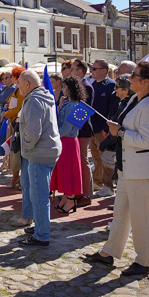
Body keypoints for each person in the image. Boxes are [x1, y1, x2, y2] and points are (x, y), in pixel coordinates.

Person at [85, 61, 149, 277]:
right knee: (120, 213)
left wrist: (119, 132)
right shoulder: (135, 99)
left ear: (145, 82)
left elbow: (147, 141)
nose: (129, 78)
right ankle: (109, 252)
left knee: (141, 218)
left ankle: (144, 260)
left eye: (134, 75)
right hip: (128, 166)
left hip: (142, 168)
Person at [14, 70, 61, 246]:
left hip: (39, 152)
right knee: (39, 193)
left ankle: (42, 235)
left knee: (38, 195)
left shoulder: (34, 100)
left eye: (19, 83)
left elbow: (33, 131)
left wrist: (25, 145)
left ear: (27, 83)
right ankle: (41, 226)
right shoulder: (44, 96)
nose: (18, 86)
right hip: (48, 150)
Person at [50, 77, 86, 215]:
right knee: (66, 171)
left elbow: (66, 128)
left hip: (68, 141)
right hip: (68, 141)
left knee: (69, 171)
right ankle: (67, 196)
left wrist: (53, 135)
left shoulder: (73, 105)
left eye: (65, 87)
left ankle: (70, 198)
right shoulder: (71, 103)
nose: (63, 89)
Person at [88, 60, 117, 198]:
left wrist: (107, 128)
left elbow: (112, 108)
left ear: (104, 70)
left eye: (94, 68)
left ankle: (109, 185)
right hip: (93, 128)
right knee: (96, 157)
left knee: (106, 158)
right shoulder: (92, 85)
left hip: (103, 129)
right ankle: (98, 182)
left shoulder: (111, 85)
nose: (91, 70)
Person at [70, 60, 95, 207]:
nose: (70, 72)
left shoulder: (86, 86)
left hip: (82, 130)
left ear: (80, 71)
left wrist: (70, 125)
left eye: (73, 69)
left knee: (83, 162)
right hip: (75, 129)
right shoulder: (79, 86)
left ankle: (86, 193)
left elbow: (84, 110)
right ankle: (77, 191)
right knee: (76, 162)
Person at [3, 66, 26, 190]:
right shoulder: (16, 90)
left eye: (12, 76)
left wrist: (6, 113)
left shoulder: (20, 90)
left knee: (17, 152)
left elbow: (19, 108)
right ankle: (16, 177)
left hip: (18, 124)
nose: (10, 78)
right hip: (13, 124)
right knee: (14, 152)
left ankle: (17, 177)